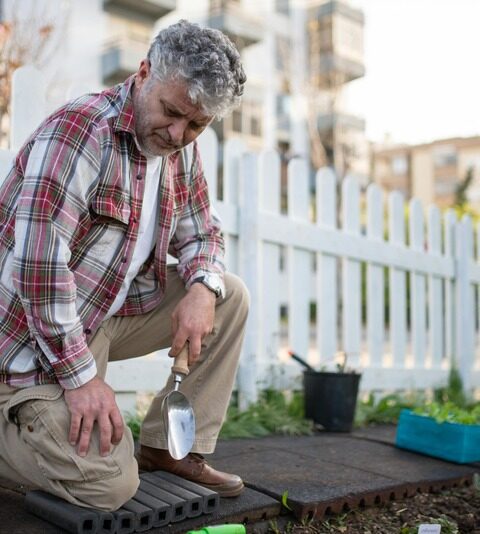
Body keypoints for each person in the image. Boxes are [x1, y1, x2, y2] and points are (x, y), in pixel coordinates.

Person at [0, 20, 249, 511]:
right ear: (143, 73)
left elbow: (202, 232)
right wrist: (84, 381)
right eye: (171, 112)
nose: (179, 134)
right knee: (110, 485)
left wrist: (202, 286)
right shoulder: (78, 134)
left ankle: (169, 448)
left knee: (228, 296)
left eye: (196, 124)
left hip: (102, 317)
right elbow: (39, 273)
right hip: (26, 342)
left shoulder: (181, 148)